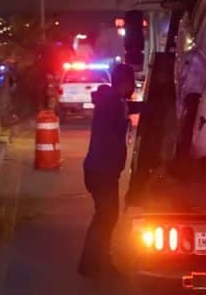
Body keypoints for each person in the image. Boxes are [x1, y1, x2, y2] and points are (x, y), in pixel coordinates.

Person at [79, 63, 135, 279]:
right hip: (103, 172)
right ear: (125, 83)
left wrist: (143, 107)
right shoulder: (113, 103)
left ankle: (96, 263)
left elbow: (128, 107)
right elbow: (123, 114)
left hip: (99, 170)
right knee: (106, 218)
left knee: (105, 218)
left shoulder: (110, 99)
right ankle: (93, 265)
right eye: (130, 84)